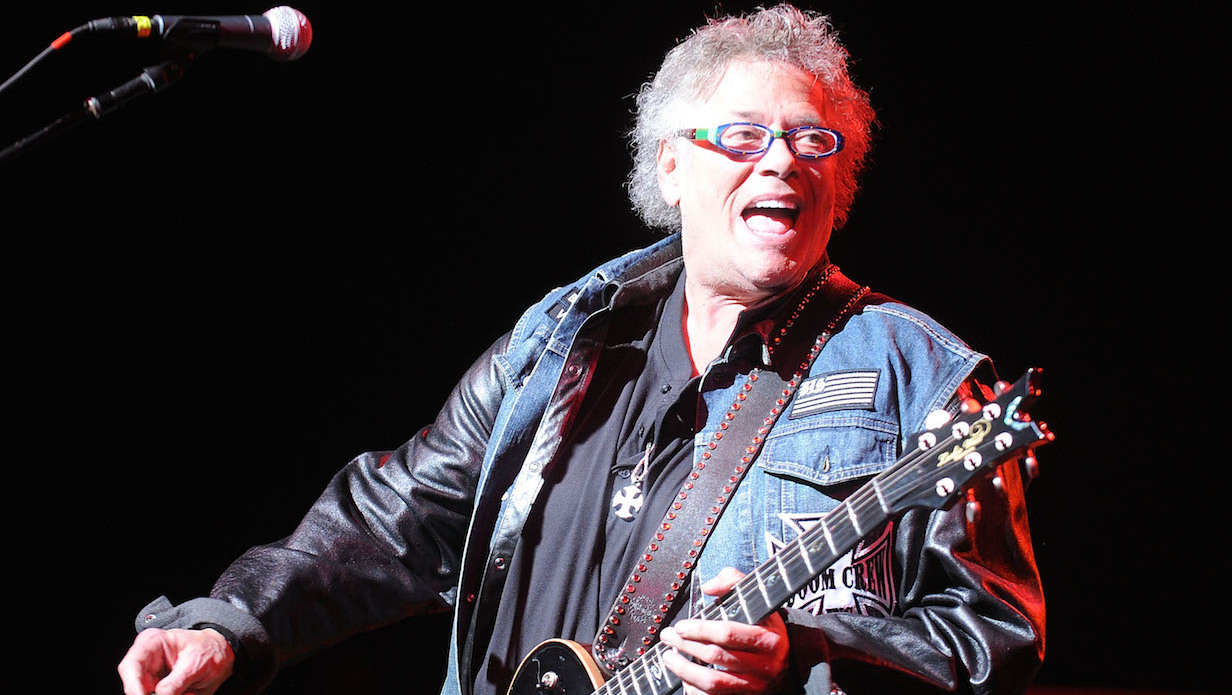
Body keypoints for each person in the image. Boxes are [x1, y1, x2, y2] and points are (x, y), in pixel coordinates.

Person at [118, 5, 1045, 695]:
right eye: (746, 136)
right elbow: (394, 517)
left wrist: (804, 657)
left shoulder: (923, 380)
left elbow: (993, 642)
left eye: (813, 141)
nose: (784, 161)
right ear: (671, 166)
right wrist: (231, 625)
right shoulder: (560, 341)